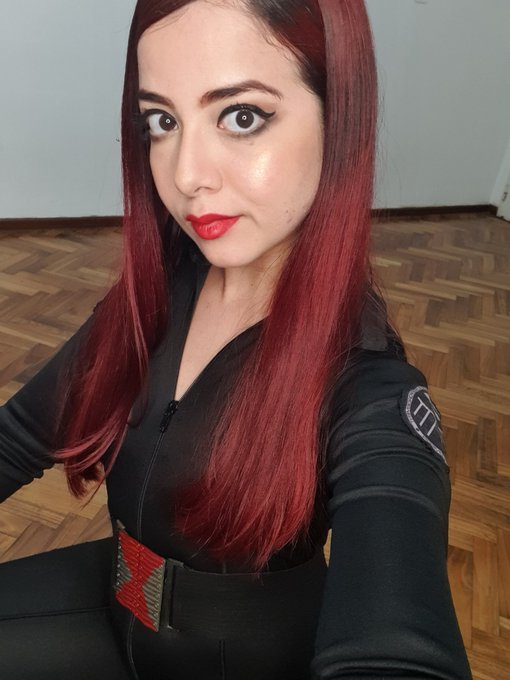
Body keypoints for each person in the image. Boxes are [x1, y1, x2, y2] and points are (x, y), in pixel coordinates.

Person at [0, 0, 472, 678]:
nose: (187, 174)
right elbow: (17, 437)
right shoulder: (159, 297)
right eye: (162, 122)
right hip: (116, 604)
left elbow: (401, 648)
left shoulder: (367, 388)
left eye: (241, 116)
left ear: (339, 118)